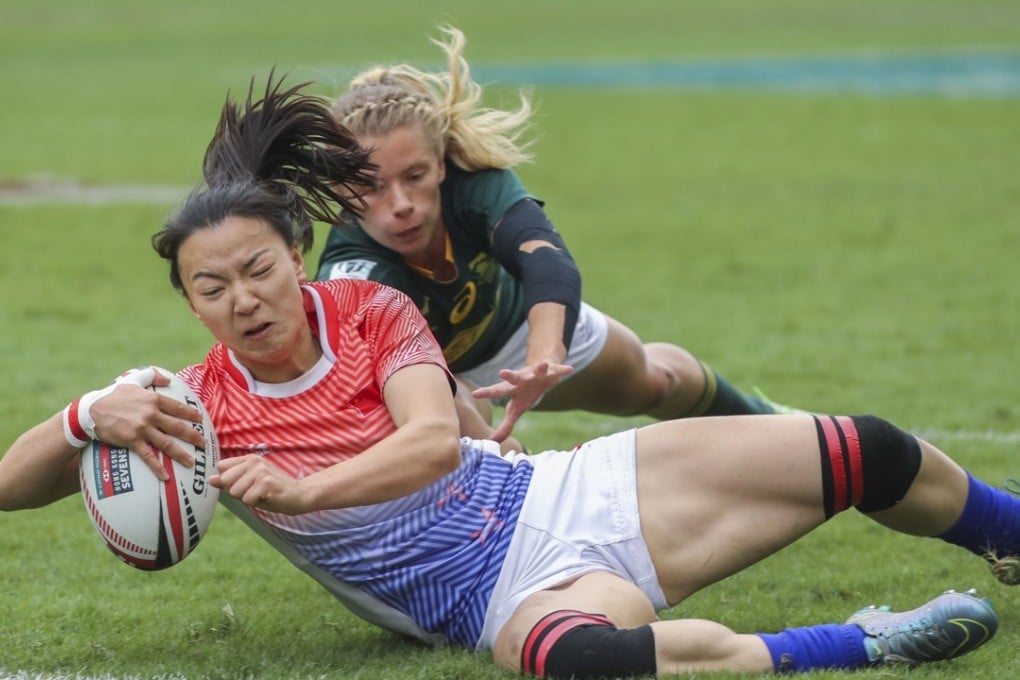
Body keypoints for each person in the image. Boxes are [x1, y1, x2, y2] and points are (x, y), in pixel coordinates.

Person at [1, 75, 1017, 680]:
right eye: (211, 286)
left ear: (298, 256)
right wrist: (91, 413)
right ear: (190, 302)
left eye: (260, 269)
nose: (244, 298)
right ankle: (864, 641)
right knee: (574, 659)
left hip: (567, 490)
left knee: (867, 450)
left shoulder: (368, 305)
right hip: (495, 596)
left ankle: (1007, 535)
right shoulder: (197, 407)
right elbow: (15, 480)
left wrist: (305, 487)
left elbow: (434, 439)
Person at [315, 26, 790, 443]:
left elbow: (546, 260)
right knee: (453, 435)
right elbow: (410, 381)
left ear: (440, 164)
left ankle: (775, 428)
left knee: (656, 381)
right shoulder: (350, 272)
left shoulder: (474, 185)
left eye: (414, 175)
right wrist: (499, 447)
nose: (400, 203)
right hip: (423, 371)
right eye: (370, 187)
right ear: (340, 190)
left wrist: (542, 362)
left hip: (516, 327)